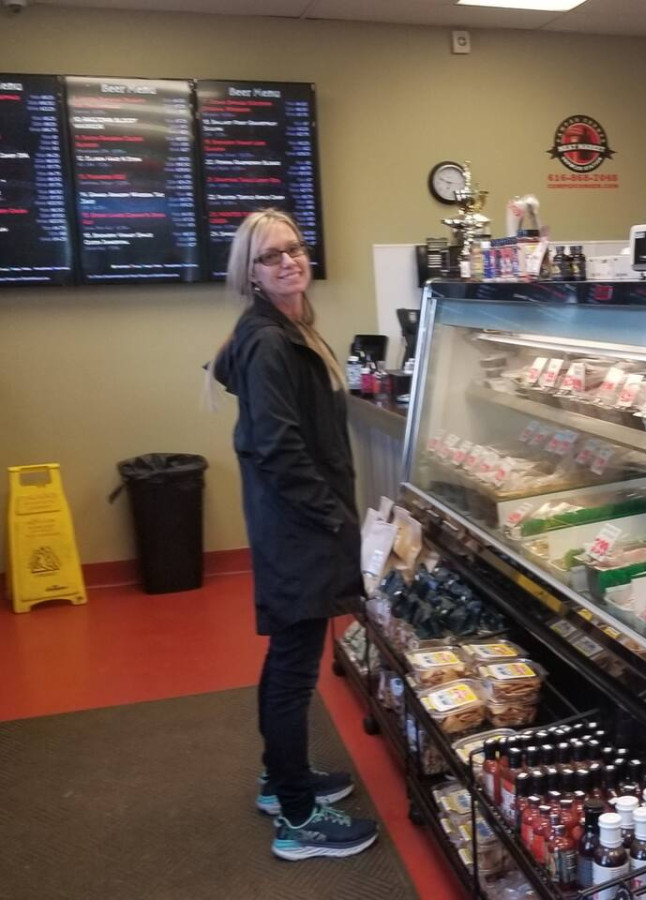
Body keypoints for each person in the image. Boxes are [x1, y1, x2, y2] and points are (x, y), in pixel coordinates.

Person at [212, 209, 378, 861]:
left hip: (296, 524)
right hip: (299, 528)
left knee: (288, 658)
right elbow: (279, 449)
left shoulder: (288, 328)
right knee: (292, 668)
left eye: (295, 248)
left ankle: (280, 782)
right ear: (250, 272)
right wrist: (333, 517)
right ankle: (299, 820)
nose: (288, 261)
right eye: (270, 255)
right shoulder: (269, 343)